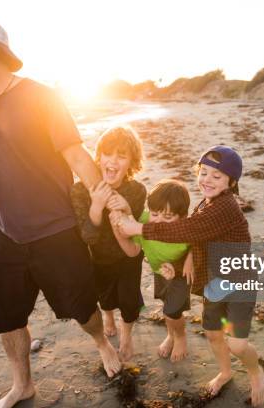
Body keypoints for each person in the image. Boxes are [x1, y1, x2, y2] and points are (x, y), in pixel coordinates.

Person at [0, 15, 120, 408]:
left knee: (81, 308)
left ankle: (101, 341)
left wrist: (108, 199)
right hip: (7, 231)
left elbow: (75, 153)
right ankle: (22, 384)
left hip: (57, 229)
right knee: (6, 314)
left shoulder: (42, 97)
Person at [117, 146, 264, 406]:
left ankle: (256, 372)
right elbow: (198, 242)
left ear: (231, 182)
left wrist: (139, 227)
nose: (207, 180)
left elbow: (188, 230)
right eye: (204, 172)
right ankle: (225, 372)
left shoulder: (225, 208)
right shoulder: (206, 203)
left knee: (238, 346)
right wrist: (176, 268)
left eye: (217, 176)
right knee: (212, 334)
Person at [70, 126, 146, 362]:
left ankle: (126, 336)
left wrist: (126, 207)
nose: (113, 161)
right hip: (99, 256)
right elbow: (88, 237)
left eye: (121, 156)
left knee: (129, 299)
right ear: (98, 157)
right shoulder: (80, 190)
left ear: (131, 162)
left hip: (128, 257)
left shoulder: (137, 190)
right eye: (108, 154)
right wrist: (96, 206)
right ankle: (109, 317)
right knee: (105, 297)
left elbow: (134, 229)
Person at [110, 179, 193, 362]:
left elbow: (202, 241)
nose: (159, 222)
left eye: (168, 217)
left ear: (183, 216)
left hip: (181, 274)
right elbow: (132, 251)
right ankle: (171, 336)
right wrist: (118, 228)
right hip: (160, 272)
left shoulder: (188, 227)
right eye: (155, 214)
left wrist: (190, 258)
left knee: (172, 311)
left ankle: (180, 337)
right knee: (166, 306)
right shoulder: (145, 220)